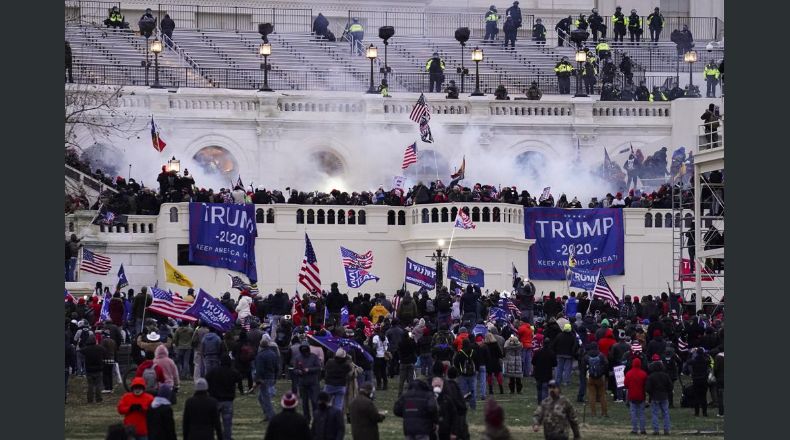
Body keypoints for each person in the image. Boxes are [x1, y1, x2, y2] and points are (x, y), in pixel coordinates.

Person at [205, 355, 241, 440]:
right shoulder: (232, 372)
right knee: (227, 423)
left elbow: (206, 379)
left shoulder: (213, 371)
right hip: (228, 400)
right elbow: (239, 378)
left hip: (215, 399)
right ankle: (227, 438)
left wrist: (210, 390)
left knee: (212, 422)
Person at [293, 341, 321, 422]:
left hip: (313, 382)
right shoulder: (298, 358)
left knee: (314, 401)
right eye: (303, 349)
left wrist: (309, 370)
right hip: (303, 383)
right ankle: (306, 418)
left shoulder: (314, 357)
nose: (304, 351)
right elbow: (294, 369)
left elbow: (318, 368)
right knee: (304, 402)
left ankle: (316, 418)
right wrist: (299, 372)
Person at [255, 334, 280, 422]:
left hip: (264, 379)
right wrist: (276, 376)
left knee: (265, 398)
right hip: (271, 377)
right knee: (261, 398)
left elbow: (259, 369)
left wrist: (257, 379)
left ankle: (271, 416)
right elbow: (277, 367)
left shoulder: (260, 355)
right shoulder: (273, 354)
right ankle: (267, 414)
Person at [646, 355, 673, 435]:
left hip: (654, 397)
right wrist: (667, 391)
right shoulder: (666, 376)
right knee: (665, 413)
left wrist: (651, 393)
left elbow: (648, 388)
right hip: (664, 396)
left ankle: (656, 430)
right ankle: (666, 430)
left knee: (655, 413)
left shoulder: (651, 376)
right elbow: (670, 386)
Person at [585, 337, 609, 417]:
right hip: (600, 377)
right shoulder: (601, 355)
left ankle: (593, 413)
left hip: (591, 377)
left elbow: (583, 365)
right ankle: (604, 412)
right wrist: (603, 372)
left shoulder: (587, 355)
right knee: (602, 395)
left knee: (592, 396)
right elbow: (606, 364)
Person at [684, 347, 711, 417]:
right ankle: (705, 413)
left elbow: (687, 361)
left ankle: (697, 413)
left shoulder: (694, 361)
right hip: (704, 380)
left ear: (697, 353)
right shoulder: (706, 360)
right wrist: (705, 353)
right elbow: (709, 359)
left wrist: (690, 353)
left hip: (696, 380)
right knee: (704, 397)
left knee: (696, 397)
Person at [80, 331, 106, 403]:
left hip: (89, 370)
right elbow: (105, 351)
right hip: (99, 369)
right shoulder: (100, 348)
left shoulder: (86, 349)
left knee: (90, 385)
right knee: (98, 385)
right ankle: (98, 399)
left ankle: (90, 399)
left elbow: (80, 351)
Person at [624, 358, 648, 434]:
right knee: (641, 413)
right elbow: (646, 385)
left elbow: (625, 384)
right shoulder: (643, 374)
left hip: (632, 396)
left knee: (633, 413)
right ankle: (643, 429)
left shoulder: (629, 373)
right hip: (641, 396)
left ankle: (634, 429)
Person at [453, 338, 478, 410]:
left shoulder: (460, 353)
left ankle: (464, 406)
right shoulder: (473, 352)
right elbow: (477, 361)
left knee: (464, 391)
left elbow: (455, 363)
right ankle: (473, 407)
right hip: (472, 374)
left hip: (462, 375)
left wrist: (459, 370)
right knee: (473, 390)